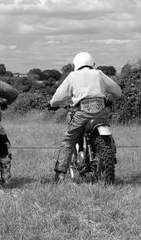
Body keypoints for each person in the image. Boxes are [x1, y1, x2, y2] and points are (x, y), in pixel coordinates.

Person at [49, 52, 123, 182]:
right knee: (109, 137)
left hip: (81, 113)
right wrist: (109, 100)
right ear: (91, 63)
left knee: (68, 141)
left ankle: (60, 175)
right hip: (101, 112)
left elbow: (58, 98)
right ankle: (111, 156)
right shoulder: (99, 74)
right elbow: (117, 91)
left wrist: (52, 104)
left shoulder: (72, 76)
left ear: (75, 64)